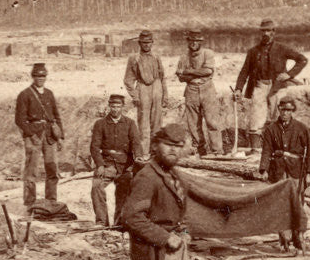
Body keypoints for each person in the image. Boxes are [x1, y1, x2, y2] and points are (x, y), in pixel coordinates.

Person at [121, 123, 189, 260]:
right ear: (154, 146)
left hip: (171, 252)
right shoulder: (147, 177)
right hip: (155, 256)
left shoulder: (172, 175)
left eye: (179, 146)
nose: (174, 150)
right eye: (169, 145)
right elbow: (131, 217)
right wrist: (165, 238)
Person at [234, 19, 308, 153]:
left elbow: (302, 60)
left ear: (274, 32)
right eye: (263, 31)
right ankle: (255, 152)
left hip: (277, 88)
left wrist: (289, 75)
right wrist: (239, 89)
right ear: (260, 32)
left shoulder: (282, 48)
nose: (266, 33)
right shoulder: (253, 51)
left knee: (278, 118)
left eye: (269, 30)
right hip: (259, 87)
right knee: (255, 120)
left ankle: (279, 150)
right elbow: (244, 71)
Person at [259, 96, 310, 254]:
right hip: (278, 171)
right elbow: (266, 150)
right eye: (283, 110)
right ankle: (284, 241)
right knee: (280, 205)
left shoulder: (301, 128)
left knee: (297, 204)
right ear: (279, 110)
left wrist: (309, 172)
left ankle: (299, 238)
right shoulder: (271, 129)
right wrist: (264, 169)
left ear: (292, 111)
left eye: (289, 110)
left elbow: (309, 151)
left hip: (296, 171)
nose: (285, 113)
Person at [14, 62, 63, 212]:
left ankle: (51, 200)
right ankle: (29, 203)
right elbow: (19, 119)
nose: (40, 78)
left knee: (52, 168)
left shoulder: (49, 94)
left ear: (46, 77)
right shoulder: (25, 94)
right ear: (32, 76)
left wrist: (60, 136)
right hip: (34, 135)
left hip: (49, 135)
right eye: (37, 76)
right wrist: (31, 134)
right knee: (31, 170)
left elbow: (56, 115)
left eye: (43, 76)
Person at [89, 93, 140, 227]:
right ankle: (101, 221)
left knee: (125, 190)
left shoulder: (130, 123)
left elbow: (136, 143)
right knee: (96, 186)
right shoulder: (100, 124)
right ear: (109, 106)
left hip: (125, 165)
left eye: (118, 106)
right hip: (108, 164)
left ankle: (120, 223)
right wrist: (99, 164)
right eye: (113, 106)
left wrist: (137, 160)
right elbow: (94, 147)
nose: (115, 109)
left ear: (123, 107)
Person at [175, 30, 223, 156]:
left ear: (201, 42)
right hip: (191, 90)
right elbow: (180, 77)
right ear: (188, 42)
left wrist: (189, 72)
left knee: (212, 121)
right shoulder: (184, 57)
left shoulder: (208, 53)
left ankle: (217, 150)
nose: (193, 43)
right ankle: (200, 149)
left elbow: (207, 71)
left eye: (196, 41)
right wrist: (192, 74)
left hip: (207, 89)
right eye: (191, 40)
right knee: (193, 123)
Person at [123, 30, 168, 161]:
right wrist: (135, 96)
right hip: (142, 88)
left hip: (157, 87)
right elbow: (128, 79)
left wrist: (165, 95)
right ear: (139, 43)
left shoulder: (157, 57)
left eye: (149, 42)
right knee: (143, 123)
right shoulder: (134, 58)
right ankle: (143, 153)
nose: (146, 45)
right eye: (144, 43)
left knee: (157, 122)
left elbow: (162, 77)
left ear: (152, 43)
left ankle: (155, 152)